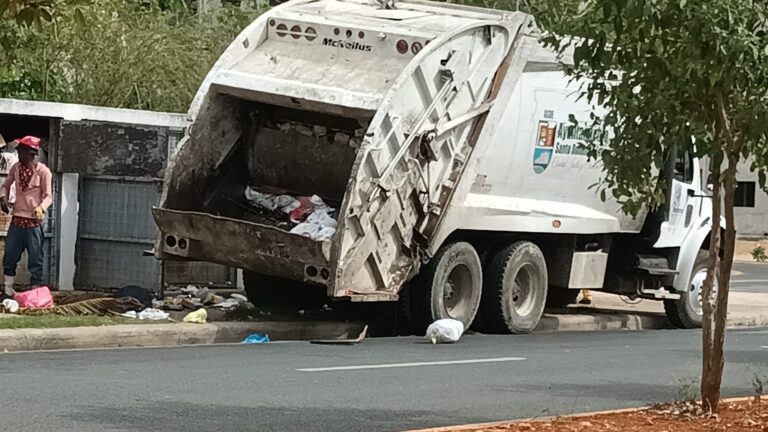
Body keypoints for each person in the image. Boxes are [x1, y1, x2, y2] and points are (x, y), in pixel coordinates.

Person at [0, 136, 52, 297]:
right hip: (17, 220)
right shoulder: (16, 168)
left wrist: (41, 207)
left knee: (35, 259)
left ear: (31, 153)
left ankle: (35, 293)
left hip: (34, 223)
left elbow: (48, 196)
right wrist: (3, 197)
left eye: (21, 151)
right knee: (10, 256)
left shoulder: (43, 171)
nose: (18, 154)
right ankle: (7, 290)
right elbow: (6, 185)